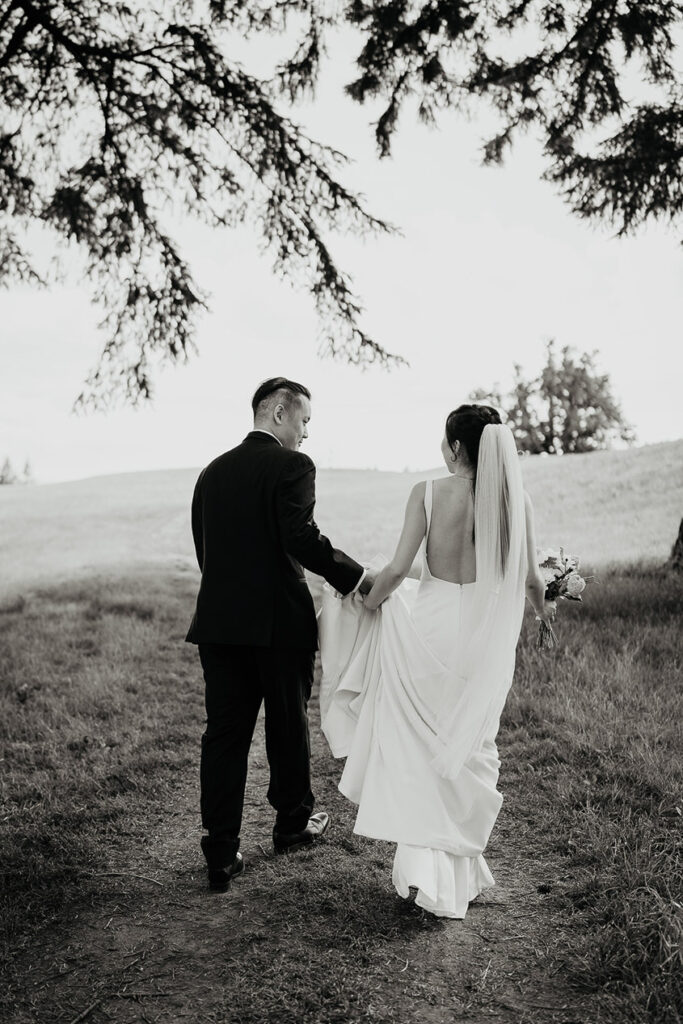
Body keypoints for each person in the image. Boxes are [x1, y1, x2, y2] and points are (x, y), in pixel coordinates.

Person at [319, 404, 555, 918]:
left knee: (422, 746)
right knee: (470, 743)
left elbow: (400, 569)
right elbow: (533, 581)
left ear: (455, 448)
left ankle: (427, 873)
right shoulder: (518, 502)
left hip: (430, 630)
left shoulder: (426, 493)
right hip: (485, 637)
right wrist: (544, 614)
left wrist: (369, 601)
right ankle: (456, 872)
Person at [187, 377, 374, 892]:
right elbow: (301, 537)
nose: (306, 434)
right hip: (278, 625)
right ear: (278, 414)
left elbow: (207, 548)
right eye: (305, 421)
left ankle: (220, 851)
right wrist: (355, 577)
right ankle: (292, 824)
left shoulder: (210, 473)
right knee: (287, 725)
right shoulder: (293, 466)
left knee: (223, 734)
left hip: (220, 626)